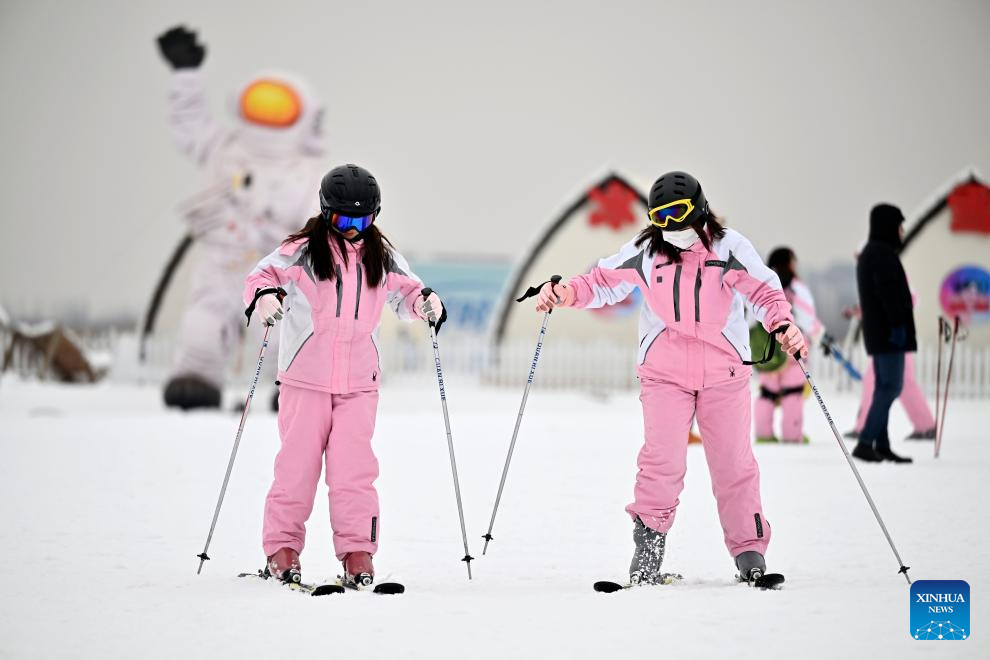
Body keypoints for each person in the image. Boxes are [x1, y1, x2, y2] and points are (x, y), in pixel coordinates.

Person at [534, 171, 806, 584]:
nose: (669, 226)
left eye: (677, 213)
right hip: (664, 374)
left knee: (733, 464)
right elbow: (603, 281)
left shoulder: (730, 246)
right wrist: (566, 292)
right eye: (658, 216)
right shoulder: (647, 250)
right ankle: (647, 556)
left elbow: (764, 291)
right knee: (661, 464)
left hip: (724, 372)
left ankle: (750, 553)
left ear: (698, 209)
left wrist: (782, 323)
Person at [242, 164, 445, 586]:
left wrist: (427, 303)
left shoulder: (381, 255)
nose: (353, 230)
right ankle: (282, 550)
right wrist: (263, 297)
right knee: (296, 469)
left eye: (362, 220)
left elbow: (409, 292)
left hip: (358, 384)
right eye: (342, 220)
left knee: (354, 472)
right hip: (305, 380)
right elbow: (262, 274)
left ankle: (358, 554)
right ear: (325, 212)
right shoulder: (302, 249)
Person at [156, 25, 326, 410]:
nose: (268, 115)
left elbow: (318, 221)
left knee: (290, 332)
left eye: (279, 107)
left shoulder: (308, 171)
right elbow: (190, 126)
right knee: (203, 325)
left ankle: (296, 387)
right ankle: (196, 380)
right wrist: (185, 75)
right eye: (260, 104)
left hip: (279, 267)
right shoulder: (226, 149)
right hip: (222, 261)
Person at [853, 204, 915, 463]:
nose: (902, 231)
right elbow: (889, 293)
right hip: (888, 333)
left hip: (880, 333)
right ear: (888, 225)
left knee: (884, 386)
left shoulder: (875, 252)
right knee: (891, 387)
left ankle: (881, 443)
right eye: (899, 225)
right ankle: (866, 441)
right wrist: (898, 326)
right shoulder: (880, 253)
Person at [754, 247, 822, 443]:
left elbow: (751, 317)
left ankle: (763, 434)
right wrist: (819, 334)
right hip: (792, 347)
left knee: (767, 393)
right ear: (790, 263)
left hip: (767, 348)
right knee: (793, 391)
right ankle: (792, 435)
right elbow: (809, 319)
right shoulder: (797, 288)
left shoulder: (762, 285)